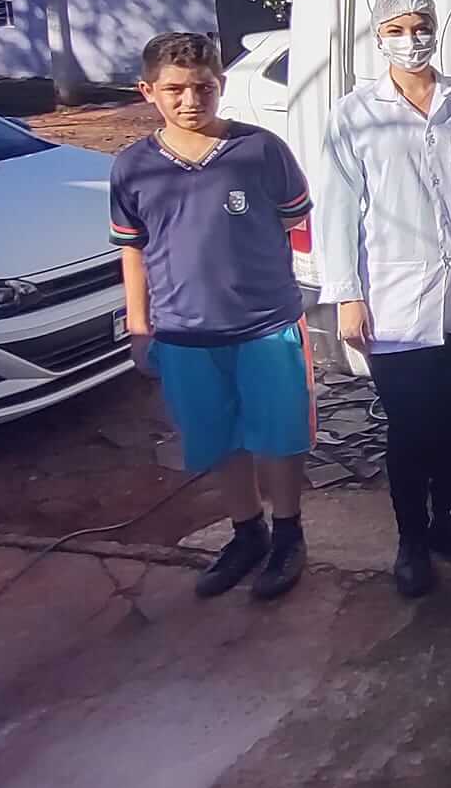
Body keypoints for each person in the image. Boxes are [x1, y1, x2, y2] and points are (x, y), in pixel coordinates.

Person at [111, 31, 315, 601]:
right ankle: (245, 532)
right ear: (148, 91)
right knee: (219, 439)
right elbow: (133, 248)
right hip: (184, 330)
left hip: (266, 324)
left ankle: (288, 534)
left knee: (279, 435)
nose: (190, 100)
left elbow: (292, 217)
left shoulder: (261, 150)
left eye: (203, 87)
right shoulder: (132, 167)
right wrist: (139, 325)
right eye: (174, 89)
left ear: (221, 85)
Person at [317, 0, 451, 600]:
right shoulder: (355, 112)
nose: (411, 37)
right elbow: (339, 208)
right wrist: (346, 292)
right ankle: (411, 538)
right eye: (395, 28)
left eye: (419, 23)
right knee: (409, 424)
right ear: (378, 38)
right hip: (390, 296)